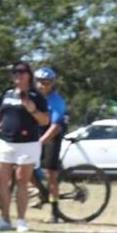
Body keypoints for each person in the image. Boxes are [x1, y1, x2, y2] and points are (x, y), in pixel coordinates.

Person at [0, 61, 50, 232]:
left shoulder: (36, 96)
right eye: (15, 73)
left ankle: (21, 220)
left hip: (27, 144)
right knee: (0, 180)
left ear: (29, 75)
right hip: (6, 142)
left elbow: (45, 121)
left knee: (21, 181)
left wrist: (32, 110)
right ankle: (4, 219)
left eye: (22, 72)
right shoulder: (7, 94)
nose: (18, 75)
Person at [34, 66, 67, 223]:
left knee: (50, 175)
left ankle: (54, 212)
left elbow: (55, 126)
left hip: (52, 136)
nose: (43, 86)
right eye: (40, 82)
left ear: (51, 83)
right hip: (36, 134)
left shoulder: (56, 101)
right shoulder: (32, 97)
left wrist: (41, 142)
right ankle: (42, 192)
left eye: (46, 83)